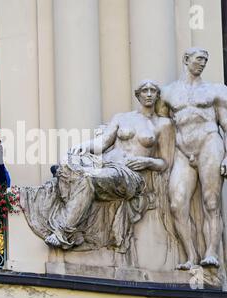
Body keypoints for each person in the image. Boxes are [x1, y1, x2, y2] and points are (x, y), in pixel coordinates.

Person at [20, 80, 176, 260]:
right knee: (69, 168)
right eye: (145, 90)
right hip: (105, 165)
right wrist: (82, 147)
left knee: (86, 177)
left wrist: (147, 161)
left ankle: (63, 231)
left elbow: (165, 162)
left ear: (157, 95)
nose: (148, 94)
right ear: (138, 94)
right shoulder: (122, 118)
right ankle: (72, 222)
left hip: (129, 175)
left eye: (153, 91)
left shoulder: (163, 125)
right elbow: (102, 143)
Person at [161, 48, 227, 270]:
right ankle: (190, 255)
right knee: (177, 203)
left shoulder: (216, 91)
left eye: (206, 60)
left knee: (211, 201)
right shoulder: (167, 93)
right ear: (186, 59)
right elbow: (159, 124)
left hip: (209, 144)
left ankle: (211, 252)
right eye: (199, 59)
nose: (202, 63)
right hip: (182, 150)